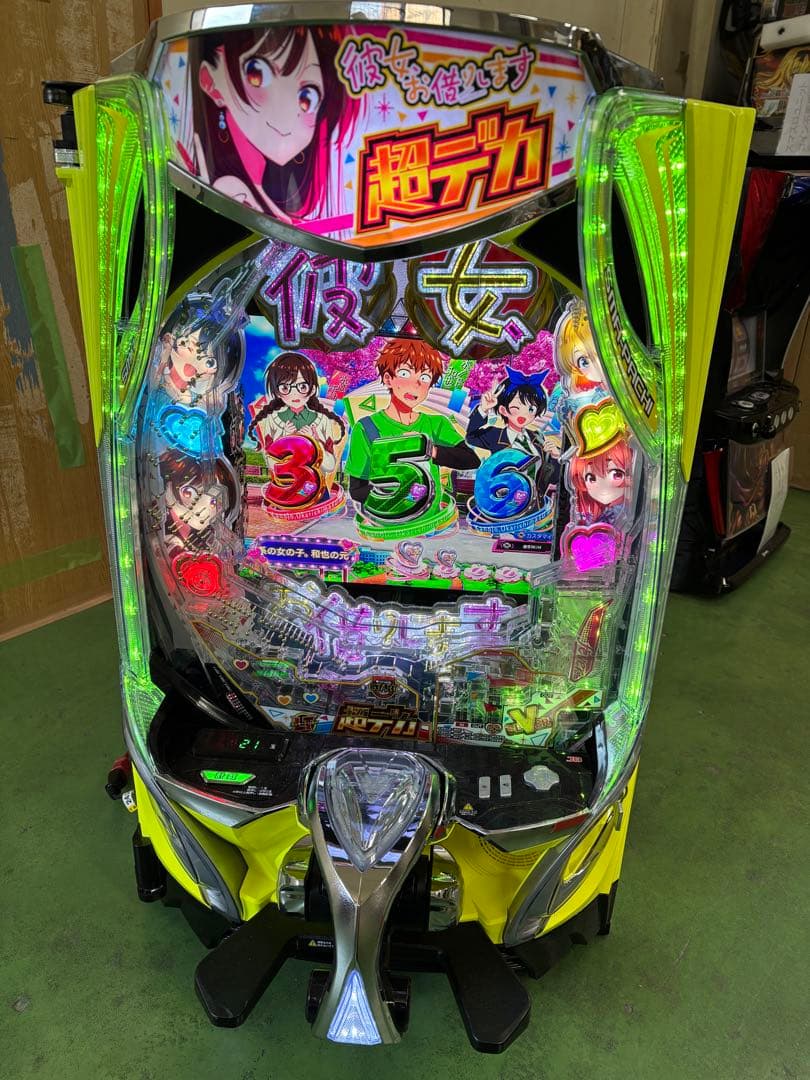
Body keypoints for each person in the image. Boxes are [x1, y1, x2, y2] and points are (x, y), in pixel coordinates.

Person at [189, 26, 360, 223]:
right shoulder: (232, 190)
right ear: (209, 80)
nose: (287, 114)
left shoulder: (267, 190)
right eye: (257, 73)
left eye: (307, 98)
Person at [344, 338, 480, 525]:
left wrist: (429, 450)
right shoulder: (367, 427)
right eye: (405, 373)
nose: (415, 384)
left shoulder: (436, 423)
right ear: (388, 378)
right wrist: (397, 498)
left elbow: (471, 459)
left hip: (429, 523)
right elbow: (357, 490)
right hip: (387, 525)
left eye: (424, 377)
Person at [247, 351, 345, 481]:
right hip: (285, 485)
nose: (294, 394)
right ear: (277, 391)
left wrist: (314, 442)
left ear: (312, 388)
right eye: (285, 387)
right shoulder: (273, 419)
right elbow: (271, 463)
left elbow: (330, 465)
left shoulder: (322, 420)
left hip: (316, 486)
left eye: (302, 386)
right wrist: (285, 440)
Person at [466, 368, 550, 457]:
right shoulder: (495, 435)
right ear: (503, 410)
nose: (523, 415)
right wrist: (483, 409)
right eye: (516, 408)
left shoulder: (537, 437)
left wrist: (555, 456)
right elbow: (471, 437)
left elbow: (548, 463)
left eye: (531, 409)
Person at [568, 439, 633, 525]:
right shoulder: (587, 514)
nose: (603, 486)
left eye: (616, 474)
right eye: (591, 479)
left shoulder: (623, 510)